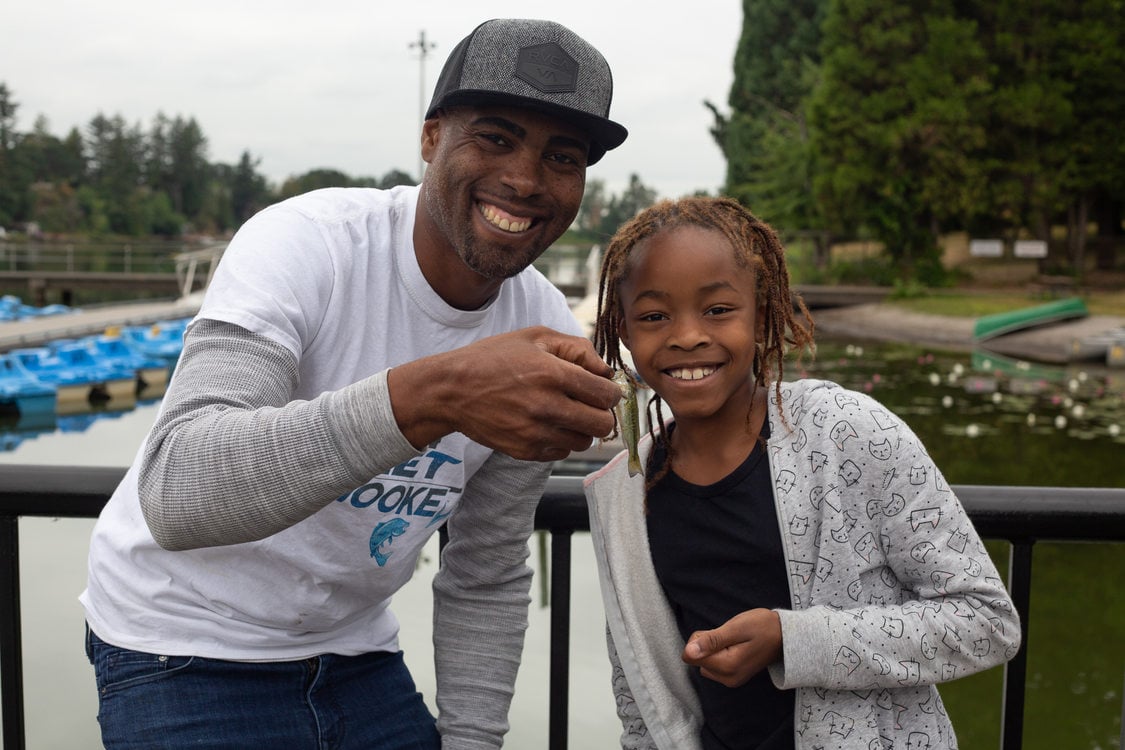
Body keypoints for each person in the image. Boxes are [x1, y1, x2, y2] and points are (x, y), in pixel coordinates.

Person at [80, 18, 628, 750]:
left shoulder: (540, 321)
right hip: (178, 644)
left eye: (561, 156)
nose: (525, 180)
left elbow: (486, 572)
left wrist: (471, 742)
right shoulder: (306, 245)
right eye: (494, 137)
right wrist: (438, 393)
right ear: (432, 137)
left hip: (356, 655)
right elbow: (181, 492)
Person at [584, 196, 1021, 749]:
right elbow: (641, 697)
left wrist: (792, 640)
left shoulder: (850, 433)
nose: (687, 335)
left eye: (718, 309)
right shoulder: (624, 494)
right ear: (622, 331)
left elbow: (987, 623)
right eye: (654, 316)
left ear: (765, 314)